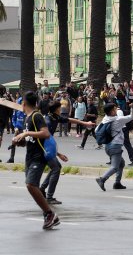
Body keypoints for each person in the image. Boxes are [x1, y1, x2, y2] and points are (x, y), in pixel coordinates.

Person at [12, 91, 59, 229]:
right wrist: (19, 140)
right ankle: (48, 214)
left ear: (24, 103)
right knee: (32, 186)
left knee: (31, 185)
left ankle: (50, 214)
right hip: (30, 156)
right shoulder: (28, 118)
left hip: (38, 157)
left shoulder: (36, 116)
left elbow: (45, 133)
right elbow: (31, 140)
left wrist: (26, 132)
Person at [40, 100, 94, 204]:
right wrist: (56, 153)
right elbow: (44, 140)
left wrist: (85, 123)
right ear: (56, 109)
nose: (62, 109)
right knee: (56, 168)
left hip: (48, 147)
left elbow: (70, 120)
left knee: (56, 167)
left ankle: (42, 189)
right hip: (43, 148)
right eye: (60, 108)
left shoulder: (55, 117)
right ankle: (49, 197)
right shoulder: (48, 121)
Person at [95, 103, 133, 191]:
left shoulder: (105, 119)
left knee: (121, 163)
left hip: (108, 146)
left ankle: (117, 183)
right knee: (114, 167)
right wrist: (132, 107)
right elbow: (132, 116)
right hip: (115, 146)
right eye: (115, 109)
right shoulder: (118, 119)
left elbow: (96, 130)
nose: (116, 110)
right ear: (112, 111)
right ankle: (102, 179)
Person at [7, 97, 26, 163]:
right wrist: (15, 127)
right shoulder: (16, 110)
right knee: (13, 142)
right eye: (21, 102)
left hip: (25, 130)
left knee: (28, 144)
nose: (22, 104)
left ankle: (30, 159)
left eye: (23, 102)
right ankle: (11, 158)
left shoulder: (27, 110)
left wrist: (25, 129)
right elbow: (13, 119)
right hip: (17, 129)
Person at [0, 85, 11, 155]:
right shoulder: (5, 100)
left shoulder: (6, 100)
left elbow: (9, 111)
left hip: (1, 122)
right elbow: (9, 112)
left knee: (0, 138)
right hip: (2, 121)